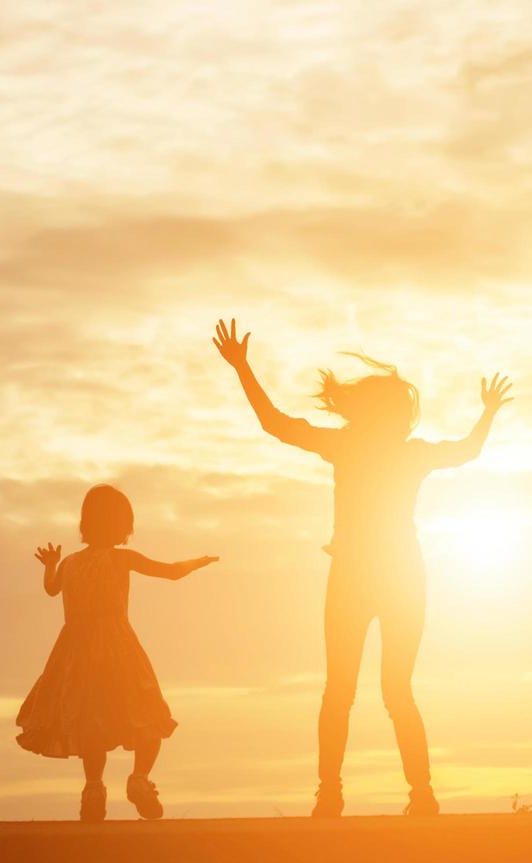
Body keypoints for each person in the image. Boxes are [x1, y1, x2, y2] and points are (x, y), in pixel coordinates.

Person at [212, 318, 511, 817]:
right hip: (384, 578)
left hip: (374, 577)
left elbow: (277, 425)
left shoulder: (357, 447)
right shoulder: (388, 451)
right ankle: (395, 795)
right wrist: (487, 414)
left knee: (355, 690)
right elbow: (468, 449)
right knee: (381, 690)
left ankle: (368, 795)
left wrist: (243, 368)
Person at [16, 484, 219, 822]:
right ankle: (139, 779)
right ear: (123, 525)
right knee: (147, 712)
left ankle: (93, 788)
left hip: (76, 653)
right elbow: (168, 571)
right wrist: (198, 562)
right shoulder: (122, 558)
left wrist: (49, 566)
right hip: (116, 646)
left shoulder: (71, 563)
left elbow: (52, 590)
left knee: (89, 722)